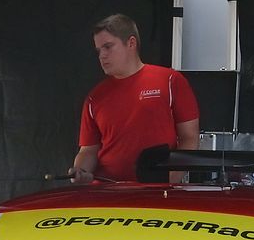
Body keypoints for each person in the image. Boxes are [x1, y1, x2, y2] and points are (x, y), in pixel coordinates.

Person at [69, 14, 200, 184]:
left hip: (156, 192)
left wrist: (171, 177)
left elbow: (190, 138)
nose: (102, 55)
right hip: (107, 192)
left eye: (108, 47)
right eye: (99, 50)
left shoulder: (170, 81)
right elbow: (88, 150)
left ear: (131, 43)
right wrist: (80, 172)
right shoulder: (95, 97)